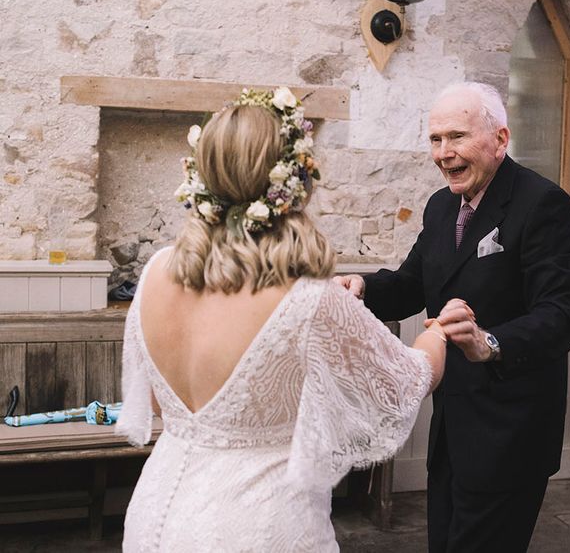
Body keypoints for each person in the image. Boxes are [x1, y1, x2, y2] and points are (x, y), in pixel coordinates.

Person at [116, 87, 447, 552]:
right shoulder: (306, 299)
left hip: (156, 515)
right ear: (293, 181)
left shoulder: (155, 274)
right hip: (256, 526)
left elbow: (155, 403)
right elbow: (402, 384)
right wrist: (437, 337)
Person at [335, 82, 570, 552]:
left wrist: (487, 342)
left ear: (500, 139)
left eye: (457, 137)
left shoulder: (542, 204)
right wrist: (363, 287)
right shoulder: (440, 204)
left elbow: (561, 316)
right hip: (453, 424)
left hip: (512, 429)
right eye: (435, 139)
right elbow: (413, 284)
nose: (443, 153)